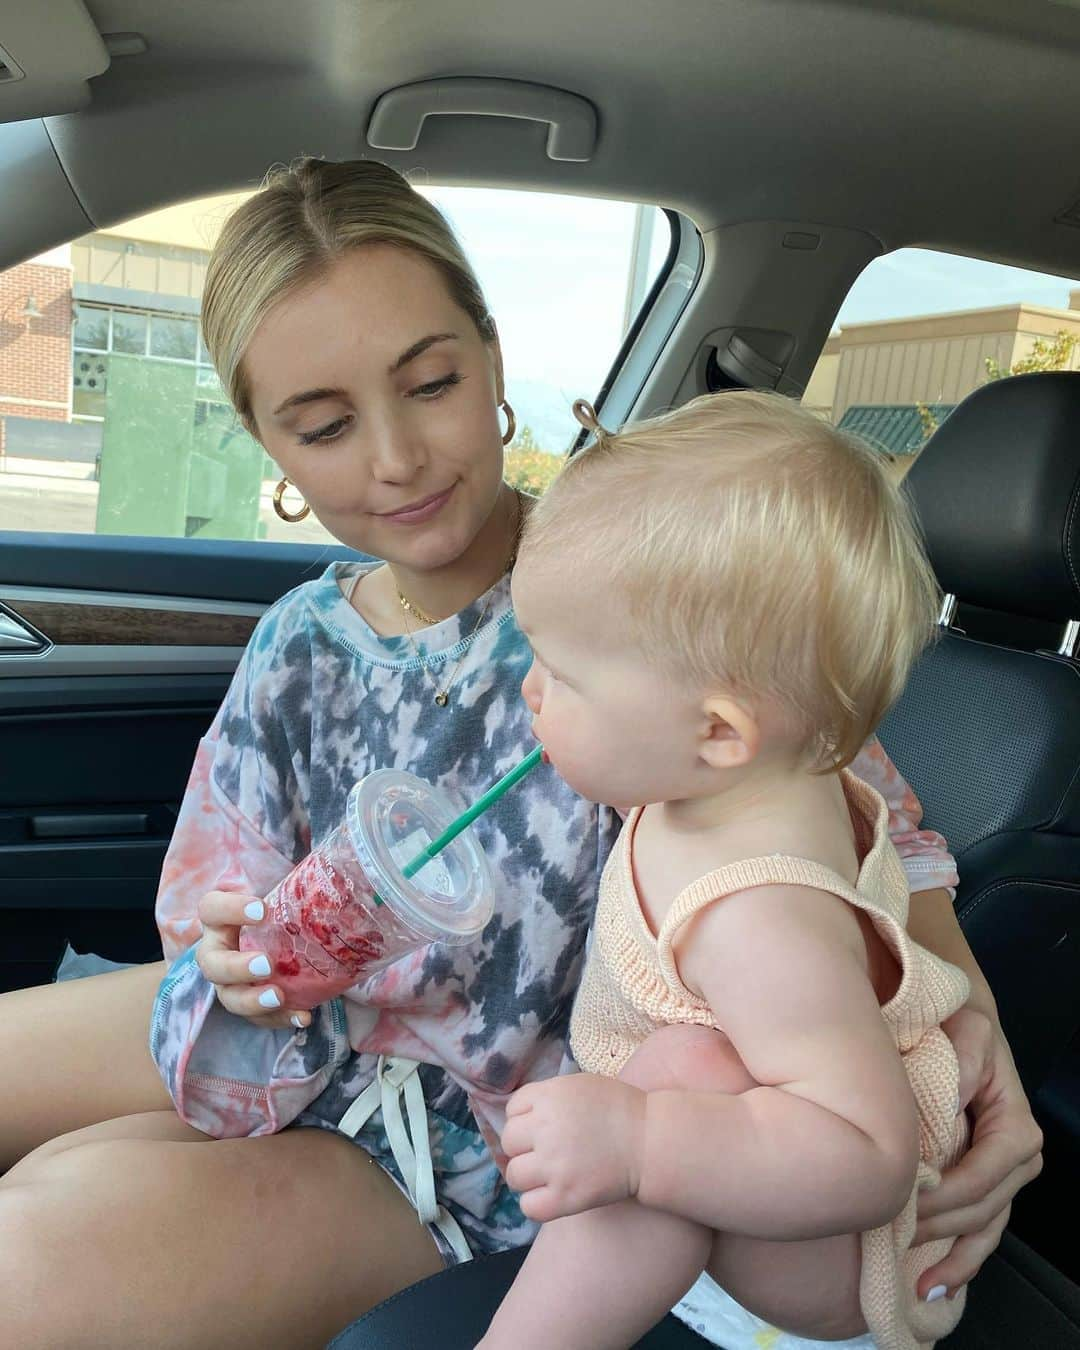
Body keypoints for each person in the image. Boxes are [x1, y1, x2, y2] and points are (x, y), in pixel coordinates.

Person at [0, 159, 1042, 1350]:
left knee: (26, 1261)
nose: (395, 457)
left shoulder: (651, 602)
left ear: (492, 357)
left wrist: (973, 1045)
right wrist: (234, 958)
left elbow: (869, 852)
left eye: (431, 382)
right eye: (326, 424)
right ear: (267, 444)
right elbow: (205, 920)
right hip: (297, 1036)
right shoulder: (297, 644)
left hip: (478, 1143)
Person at [479, 391, 979, 1350]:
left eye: (560, 674)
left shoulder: (760, 913)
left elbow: (866, 1156)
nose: (529, 689)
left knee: (685, 1074)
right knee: (679, 1081)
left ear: (719, 731)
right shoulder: (740, 784)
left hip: (834, 1266)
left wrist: (642, 1144)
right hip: (750, 1203)